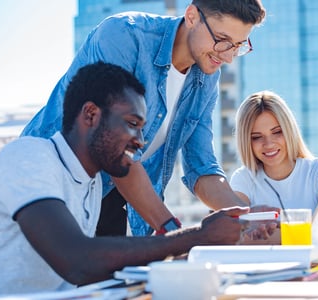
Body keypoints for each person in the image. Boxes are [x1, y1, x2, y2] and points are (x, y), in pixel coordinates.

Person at [0, 62, 249, 294]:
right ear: (91, 115)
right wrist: (197, 236)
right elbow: (77, 261)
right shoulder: (28, 156)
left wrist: (182, 251)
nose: (140, 140)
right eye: (131, 123)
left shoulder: (90, 183)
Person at [21, 0, 266, 236]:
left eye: (238, 45)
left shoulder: (206, 79)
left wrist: (248, 216)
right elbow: (113, 147)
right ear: (192, 16)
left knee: (111, 278)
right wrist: (172, 231)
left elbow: (201, 167)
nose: (228, 57)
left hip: (109, 197)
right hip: (47, 187)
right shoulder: (124, 35)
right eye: (222, 41)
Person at [230, 90, 318, 249]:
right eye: (256, 137)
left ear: (289, 130)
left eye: (277, 132)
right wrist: (307, 234)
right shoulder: (243, 179)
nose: (268, 143)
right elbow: (235, 239)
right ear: (246, 141)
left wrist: (270, 236)